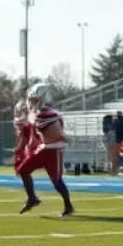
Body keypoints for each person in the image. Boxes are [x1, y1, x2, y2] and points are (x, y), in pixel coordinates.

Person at [17, 83, 74, 217]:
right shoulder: (41, 114)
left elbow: (41, 125)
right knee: (23, 170)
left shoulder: (49, 114)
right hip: (43, 149)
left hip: (54, 150)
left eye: (35, 100)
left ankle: (68, 206)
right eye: (32, 100)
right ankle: (32, 199)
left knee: (56, 181)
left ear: (43, 99)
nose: (32, 103)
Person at [13, 100, 36, 181]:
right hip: (26, 144)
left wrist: (19, 146)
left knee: (22, 168)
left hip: (28, 145)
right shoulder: (22, 120)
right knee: (20, 166)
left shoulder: (27, 120)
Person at [112, 109, 123, 175]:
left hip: (118, 140)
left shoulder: (117, 121)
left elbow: (114, 128)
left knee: (118, 155)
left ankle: (117, 170)